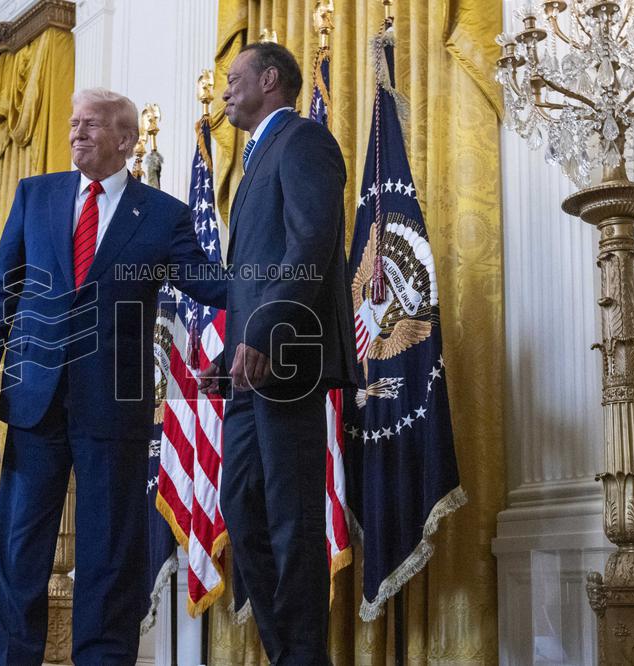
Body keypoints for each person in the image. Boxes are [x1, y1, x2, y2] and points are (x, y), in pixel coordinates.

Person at [0, 87, 226, 665]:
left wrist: (276, 279)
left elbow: (210, 285)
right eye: (73, 122)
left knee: (110, 551)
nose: (76, 133)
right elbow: (2, 281)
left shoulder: (162, 215)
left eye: (91, 125)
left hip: (113, 405)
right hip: (34, 396)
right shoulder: (37, 195)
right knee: (18, 547)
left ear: (127, 141)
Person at [198, 42, 358, 664]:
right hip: (250, 369)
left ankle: (304, 658)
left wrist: (264, 334)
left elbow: (312, 245)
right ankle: (287, 651)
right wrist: (230, 351)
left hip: (288, 359)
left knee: (291, 518)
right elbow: (251, 271)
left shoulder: (303, 142)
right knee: (241, 505)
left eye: (233, 79)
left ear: (270, 80)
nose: (224, 91)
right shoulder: (256, 157)